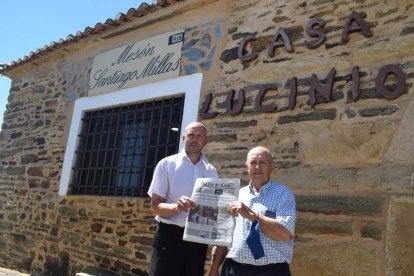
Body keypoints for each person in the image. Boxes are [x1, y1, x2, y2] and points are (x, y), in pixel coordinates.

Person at [208, 146, 296, 276]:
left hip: (271, 271)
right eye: (253, 163)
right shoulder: (236, 194)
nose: (257, 167)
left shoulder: (283, 194)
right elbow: (223, 236)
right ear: (246, 167)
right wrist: (214, 268)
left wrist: (252, 216)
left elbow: (285, 234)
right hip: (233, 269)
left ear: (272, 166)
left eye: (262, 163)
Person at [147, 122, 218, 276]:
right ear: (183, 138)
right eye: (191, 135)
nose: (194, 139)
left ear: (205, 141)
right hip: (169, 237)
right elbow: (156, 206)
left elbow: (213, 209)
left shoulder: (212, 172)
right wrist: (176, 207)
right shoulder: (166, 165)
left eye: (199, 136)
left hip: (198, 240)